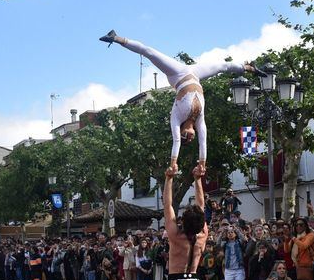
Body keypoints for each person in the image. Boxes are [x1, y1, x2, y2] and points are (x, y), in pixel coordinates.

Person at [101, 31, 263, 174]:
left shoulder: (177, 117)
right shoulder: (199, 120)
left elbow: (176, 141)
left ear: (184, 135)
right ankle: (250, 68)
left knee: (149, 52)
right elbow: (203, 142)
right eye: (192, 139)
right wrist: (202, 164)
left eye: (189, 139)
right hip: (195, 74)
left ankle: (116, 38)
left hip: (178, 74)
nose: (192, 138)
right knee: (223, 66)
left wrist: (173, 163)